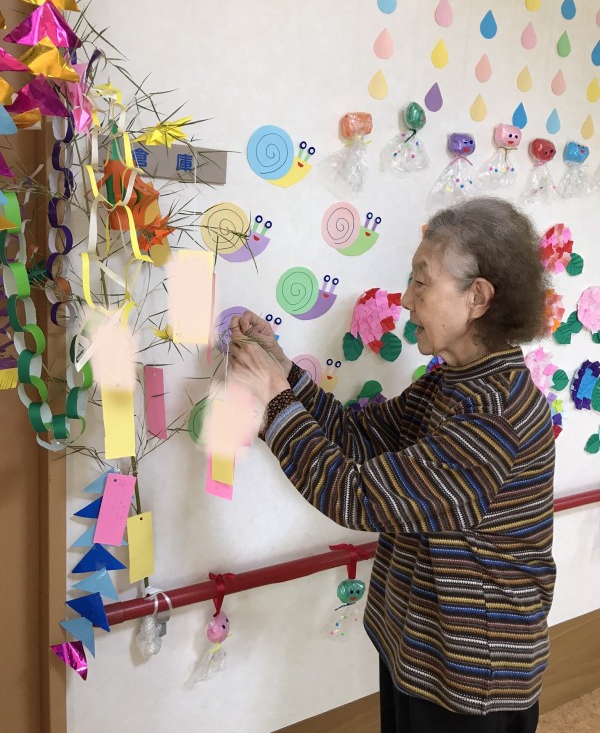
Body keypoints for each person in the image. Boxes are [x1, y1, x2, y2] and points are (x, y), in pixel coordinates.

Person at [228, 197, 555, 733]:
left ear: (477, 297)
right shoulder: (450, 381)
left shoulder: (495, 415)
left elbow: (355, 495)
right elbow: (360, 437)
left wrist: (275, 400)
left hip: (470, 679)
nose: (405, 299)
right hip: (417, 647)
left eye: (421, 282)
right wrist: (283, 372)